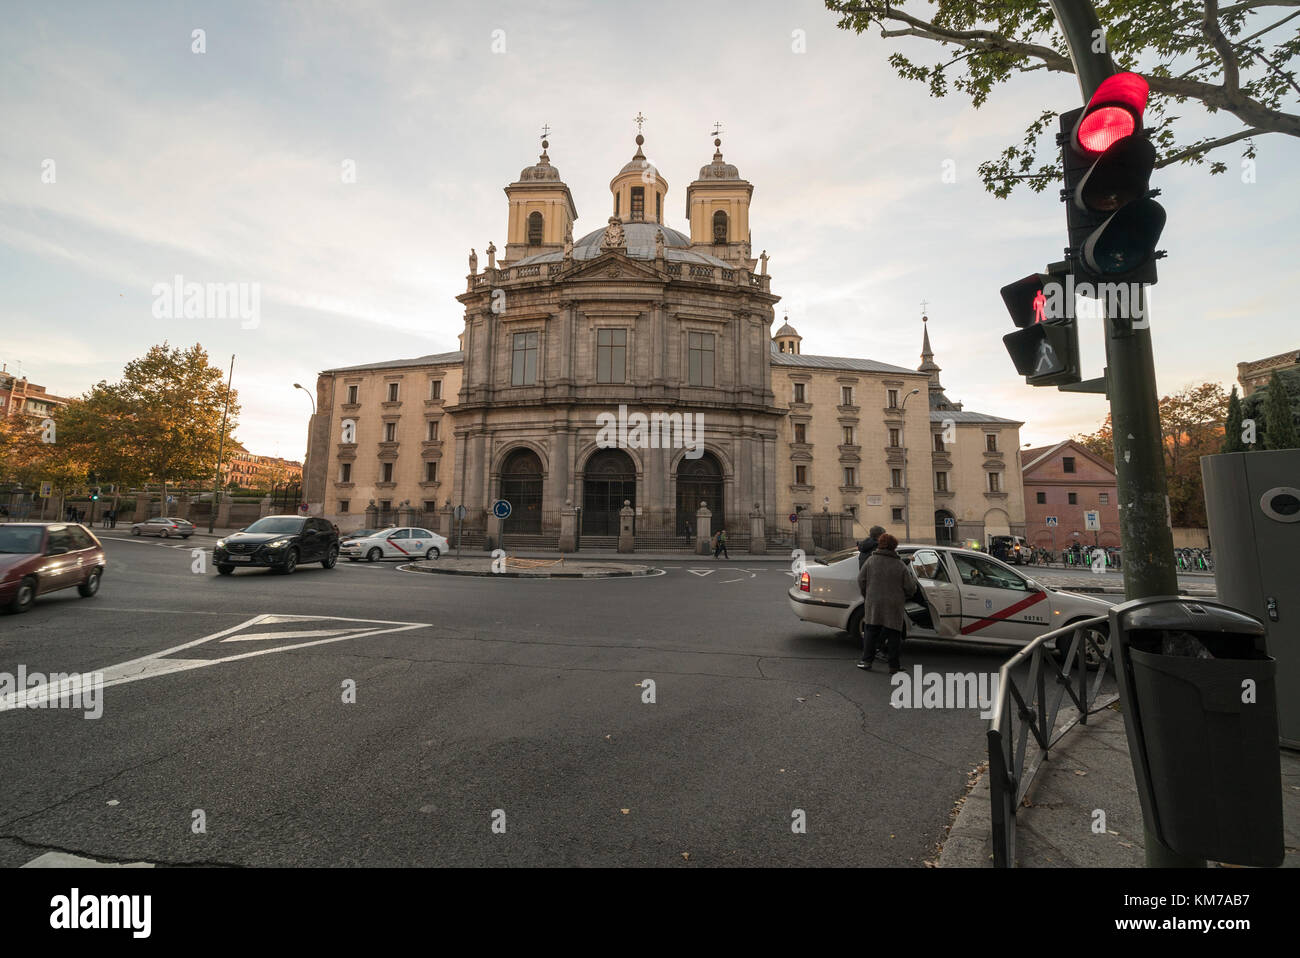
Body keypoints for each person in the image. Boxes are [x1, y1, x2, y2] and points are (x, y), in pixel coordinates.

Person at [855, 532, 918, 674]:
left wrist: (867, 594)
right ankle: (894, 666)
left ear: (881, 545)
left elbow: (861, 579)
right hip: (894, 603)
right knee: (894, 634)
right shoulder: (900, 564)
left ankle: (866, 661)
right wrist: (905, 596)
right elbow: (910, 587)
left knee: (871, 631)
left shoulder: (871, 561)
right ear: (894, 547)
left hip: (874, 602)